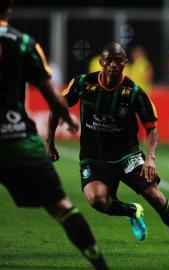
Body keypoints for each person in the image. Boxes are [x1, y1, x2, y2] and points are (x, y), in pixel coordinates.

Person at [47, 42, 169, 257]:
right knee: (96, 200)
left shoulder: (134, 92)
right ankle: (132, 211)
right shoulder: (83, 83)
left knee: (155, 197)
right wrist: (50, 142)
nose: (113, 64)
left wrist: (150, 158)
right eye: (108, 60)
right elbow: (57, 106)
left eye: (118, 60)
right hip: (94, 157)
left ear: (125, 63)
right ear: (101, 61)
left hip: (127, 156)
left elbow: (152, 129)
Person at [0, 1, 108, 269]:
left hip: (16, 141)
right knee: (61, 207)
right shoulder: (23, 43)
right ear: (9, 7)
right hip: (16, 138)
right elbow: (52, 96)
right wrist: (68, 116)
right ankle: (100, 265)